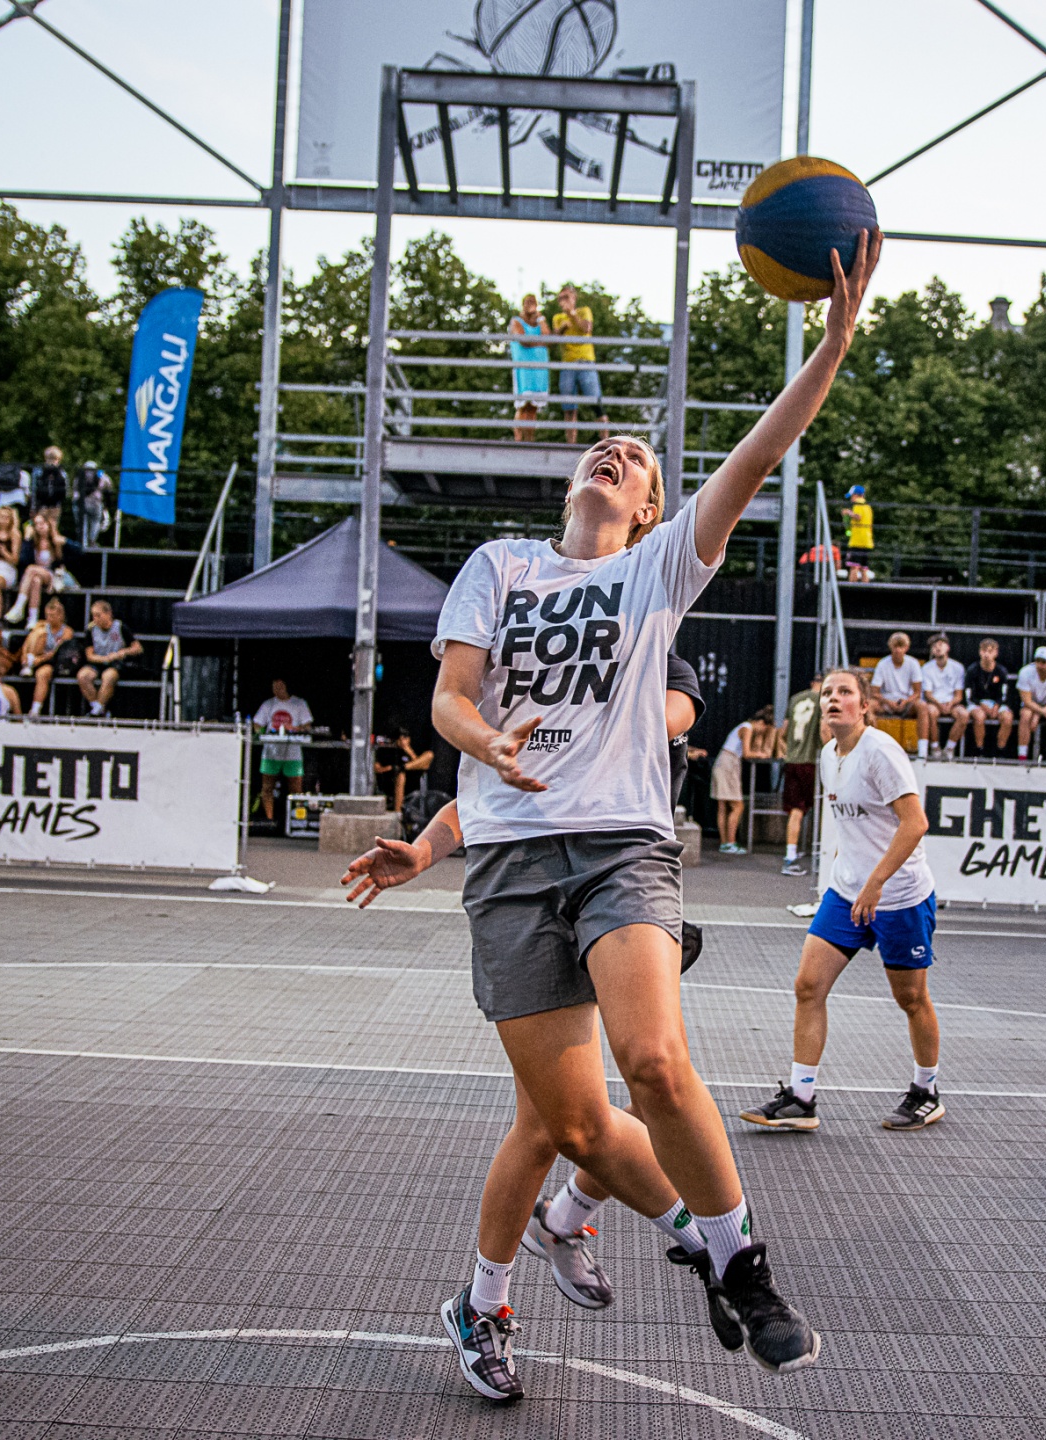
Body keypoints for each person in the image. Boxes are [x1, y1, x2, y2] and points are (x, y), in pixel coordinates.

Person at [426, 225, 876, 1398]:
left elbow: (760, 454)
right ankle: (496, 1291)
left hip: (623, 849)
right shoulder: (502, 565)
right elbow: (449, 699)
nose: (615, 453)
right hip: (512, 862)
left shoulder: (659, 569)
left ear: (654, 509)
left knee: (657, 1064)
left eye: (635, 460)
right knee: (570, 1126)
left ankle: (741, 1267)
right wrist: (484, 746)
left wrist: (831, 347)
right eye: (603, 446)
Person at [342, 658, 720, 1344]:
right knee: (553, 1124)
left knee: (647, 1085)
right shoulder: (542, 676)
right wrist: (425, 851)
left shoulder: (659, 666)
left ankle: (550, 1243)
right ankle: (701, 1249)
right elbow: (485, 797)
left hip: (618, 898)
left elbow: (660, 720)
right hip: (539, 901)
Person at [740, 665, 944, 1133]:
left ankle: (926, 1091)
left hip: (899, 895)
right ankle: (801, 1098)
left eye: (845, 692)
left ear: (865, 705)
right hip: (847, 891)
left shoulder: (881, 752)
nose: (833, 698)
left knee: (911, 998)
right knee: (808, 986)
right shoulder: (829, 754)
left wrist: (876, 883)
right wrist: (850, 876)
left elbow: (915, 823)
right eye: (828, 692)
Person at [712, 705, 775, 855]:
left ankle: (725, 843)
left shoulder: (743, 726)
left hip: (722, 761)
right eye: (763, 729)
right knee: (738, 806)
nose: (761, 732)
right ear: (761, 723)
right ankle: (730, 842)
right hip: (729, 763)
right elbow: (747, 753)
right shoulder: (747, 728)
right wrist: (761, 755)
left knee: (723, 806)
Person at [778, 675, 824, 876]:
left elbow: (782, 732)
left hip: (792, 761)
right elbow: (824, 730)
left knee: (795, 810)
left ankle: (790, 856)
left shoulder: (795, 699)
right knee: (823, 808)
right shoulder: (823, 700)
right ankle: (822, 854)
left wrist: (786, 751)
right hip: (811, 761)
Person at [550, 284, 607, 445]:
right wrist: (562, 328)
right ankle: (571, 445)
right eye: (561, 298)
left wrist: (572, 315)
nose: (563, 301)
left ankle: (606, 442)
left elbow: (586, 328)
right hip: (567, 364)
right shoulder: (558, 318)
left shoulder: (584, 311)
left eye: (566, 297)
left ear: (574, 298)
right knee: (568, 408)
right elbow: (553, 340)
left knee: (596, 403)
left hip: (586, 362)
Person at [253, 678, 314, 828]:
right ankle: (269, 820)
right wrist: (262, 731)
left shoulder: (299, 704)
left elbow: (307, 726)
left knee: (296, 788)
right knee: (267, 787)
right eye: (274, 686)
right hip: (271, 752)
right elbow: (257, 724)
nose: (276, 689)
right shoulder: (268, 704)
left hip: (293, 753)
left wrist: (294, 729)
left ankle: (298, 820)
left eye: (279, 686)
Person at [5, 512, 77, 626]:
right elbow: (22, 560)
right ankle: (32, 619)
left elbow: (79, 551)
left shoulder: (55, 540)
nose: (40, 526)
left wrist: (65, 541)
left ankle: (19, 606)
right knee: (36, 581)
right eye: (37, 524)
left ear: (48, 524)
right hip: (37, 576)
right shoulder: (33, 542)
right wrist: (27, 539)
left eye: (42, 523)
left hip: (54, 576)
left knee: (31, 569)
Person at [76, 599, 142, 717]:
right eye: (93, 616)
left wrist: (123, 652)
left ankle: (96, 711)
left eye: (98, 615)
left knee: (108, 676)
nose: (95, 619)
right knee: (83, 676)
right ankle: (98, 709)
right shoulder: (91, 630)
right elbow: (89, 655)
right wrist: (105, 658)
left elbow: (138, 648)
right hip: (98, 661)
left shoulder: (120, 627)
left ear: (108, 614)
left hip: (116, 663)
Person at [19, 597, 75, 712]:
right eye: (47, 615)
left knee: (42, 674)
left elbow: (57, 652)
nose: (49, 618)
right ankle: (28, 663)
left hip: (55, 661)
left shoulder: (67, 631)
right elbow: (27, 642)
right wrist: (24, 655)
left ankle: (35, 710)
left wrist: (40, 659)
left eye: (52, 616)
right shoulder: (42, 625)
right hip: (37, 656)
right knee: (39, 632)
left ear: (60, 616)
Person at [918, 632, 967, 761]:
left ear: (948, 647)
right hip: (934, 703)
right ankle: (935, 748)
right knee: (930, 712)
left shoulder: (958, 667)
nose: (938, 648)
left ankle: (949, 748)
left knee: (964, 715)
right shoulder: (926, 668)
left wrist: (950, 704)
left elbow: (959, 694)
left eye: (940, 644)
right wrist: (939, 704)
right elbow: (928, 694)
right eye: (934, 646)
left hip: (952, 703)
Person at [508, 295, 550, 442]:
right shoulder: (516, 321)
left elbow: (548, 338)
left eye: (534, 302)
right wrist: (540, 342)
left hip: (539, 371)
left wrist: (541, 319)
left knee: (533, 408)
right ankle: (518, 441)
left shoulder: (539, 322)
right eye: (528, 302)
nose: (531, 305)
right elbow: (524, 340)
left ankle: (530, 441)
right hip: (524, 370)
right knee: (523, 406)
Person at [963, 637, 1014, 755]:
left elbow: (1005, 694)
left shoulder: (1001, 671)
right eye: (984, 651)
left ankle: (1000, 750)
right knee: (979, 716)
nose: (986, 654)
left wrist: (997, 706)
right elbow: (969, 695)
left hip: (995, 703)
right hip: (977, 703)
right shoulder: (972, 670)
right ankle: (979, 749)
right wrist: (981, 705)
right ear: (979, 652)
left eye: (990, 651)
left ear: (996, 653)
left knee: (1007, 718)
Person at [869, 632, 921, 733]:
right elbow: (874, 692)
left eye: (901, 647)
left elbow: (917, 692)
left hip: (907, 702)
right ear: (890, 647)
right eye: (895, 646)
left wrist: (906, 701)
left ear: (906, 648)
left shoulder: (913, 663)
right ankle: (871, 737)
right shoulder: (882, 664)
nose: (898, 650)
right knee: (869, 706)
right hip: (886, 702)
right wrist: (888, 702)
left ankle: (924, 742)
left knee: (922, 707)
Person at [31, 446, 70, 524]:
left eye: (55, 459)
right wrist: (33, 506)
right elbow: (34, 490)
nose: (52, 462)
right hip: (42, 505)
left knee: (52, 526)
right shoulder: (39, 472)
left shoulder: (62, 473)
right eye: (50, 459)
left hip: (55, 505)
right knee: (41, 525)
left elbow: (66, 491)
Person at [842, 485, 874, 582]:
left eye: (852, 496)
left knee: (853, 566)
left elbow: (858, 517)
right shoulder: (868, 507)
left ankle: (851, 588)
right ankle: (865, 588)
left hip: (857, 541)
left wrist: (848, 513)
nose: (851, 499)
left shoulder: (858, 504)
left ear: (856, 495)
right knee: (864, 568)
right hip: (867, 541)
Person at [76, 461, 112, 547]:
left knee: (83, 522)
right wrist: (107, 504)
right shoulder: (101, 475)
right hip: (96, 502)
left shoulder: (81, 475)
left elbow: (75, 489)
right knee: (95, 522)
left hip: (83, 503)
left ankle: (83, 542)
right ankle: (92, 541)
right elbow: (109, 487)